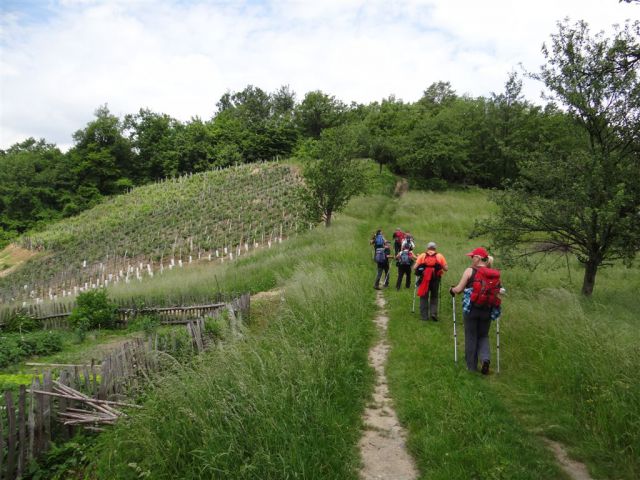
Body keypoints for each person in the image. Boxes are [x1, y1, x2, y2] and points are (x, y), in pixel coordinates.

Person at [449, 247, 502, 375]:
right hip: (487, 309)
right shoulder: (493, 273)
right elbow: (498, 291)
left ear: (478, 258)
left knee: (471, 336)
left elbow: (459, 289)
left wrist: (452, 290)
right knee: (483, 335)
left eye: (472, 256)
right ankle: (485, 359)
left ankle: (471, 367)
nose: (471, 258)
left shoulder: (470, 271)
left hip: (472, 309)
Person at [413, 242, 448, 321]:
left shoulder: (422, 255)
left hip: (424, 279)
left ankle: (424, 317)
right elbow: (446, 268)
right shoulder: (439, 256)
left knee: (424, 297)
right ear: (435, 248)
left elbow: (415, 267)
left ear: (427, 248)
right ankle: (433, 313)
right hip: (435, 279)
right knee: (434, 296)